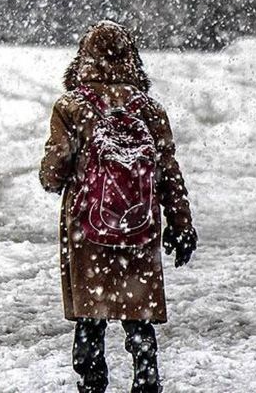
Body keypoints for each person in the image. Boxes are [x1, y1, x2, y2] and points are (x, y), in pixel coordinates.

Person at [39, 21, 197, 393]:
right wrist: (181, 223)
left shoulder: (71, 107)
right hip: (138, 229)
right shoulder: (149, 110)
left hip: (87, 227)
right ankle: (146, 377)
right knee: (135, 311)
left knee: (90, 314)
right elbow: (168, 172)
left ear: (83, 59)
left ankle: (92, 382)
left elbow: (54, 172)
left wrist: (56, 174)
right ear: (132, 59)